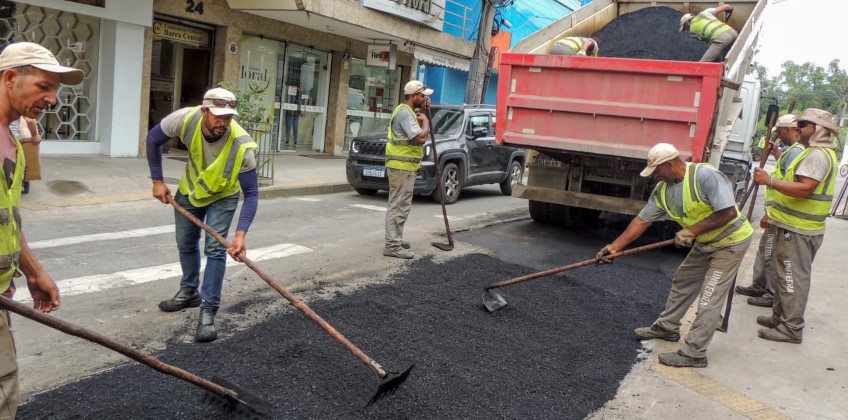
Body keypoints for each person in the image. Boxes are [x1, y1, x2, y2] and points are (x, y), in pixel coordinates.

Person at [596, 143, 753, 368]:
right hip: (705, 242)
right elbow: (642, 221)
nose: (656, 176)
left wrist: (692, 231)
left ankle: (694, 353)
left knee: (709, 298)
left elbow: (728, 211)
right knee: (683, 282)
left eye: (657, 171)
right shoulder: (663, 191)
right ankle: (667, 327)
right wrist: (614, 248)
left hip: (730, 243)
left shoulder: (705, 176)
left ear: (669, 165)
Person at [0, 41, 81, 419]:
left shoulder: (14, 143)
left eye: (55, 91)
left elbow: (8, 218)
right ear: (11, 78)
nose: (51, 100)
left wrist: (34, 271)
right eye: (44, 87)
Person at [146, 87, 259, 343]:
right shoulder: (185, 118)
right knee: (185, 242)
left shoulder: (242, 145)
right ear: (204, 110)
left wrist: (240, 234)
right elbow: (153, 140)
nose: (223, 122)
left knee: (216, 250)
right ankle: (189, 292)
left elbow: (251, 194)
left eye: (228, 117)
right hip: (191, 189)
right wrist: (157, 181)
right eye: (218, 116)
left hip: (223, 196)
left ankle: (208, 309)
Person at [751, 108, 839, 344]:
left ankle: (791, 328)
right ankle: (780, 318)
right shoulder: (810, 152)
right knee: (783, 276)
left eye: (804, 125)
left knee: (792, 278)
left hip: (800, 229)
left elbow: (805, 188)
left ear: (818, 129)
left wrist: (769, 180)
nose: (798, 129)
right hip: (792, 225)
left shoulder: (818, 155)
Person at [736, 114, 804, 308]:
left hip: (778, 214)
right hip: (776, 212)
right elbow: (785, 170)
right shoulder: (791, 151)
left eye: (780, 131)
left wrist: (771, 212)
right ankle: (759, 286)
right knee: (765, 251)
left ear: (789, 130)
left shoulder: (795, 152)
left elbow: (787, 186)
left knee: (771, 254)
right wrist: (776, 154)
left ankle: (770, 293)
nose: (779, 135)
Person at [383, 80, 431, 259]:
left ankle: (395, 239)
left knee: (401, 205)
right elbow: (420, 137)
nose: (425, 98)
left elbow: (418, 126)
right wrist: (425, 120)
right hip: (400, 166)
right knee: (398, 206)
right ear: (413, 96)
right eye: (422, 95)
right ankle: (392, 245)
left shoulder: (409, 112)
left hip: (405, 167)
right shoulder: (404, 113)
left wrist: (424, 112)